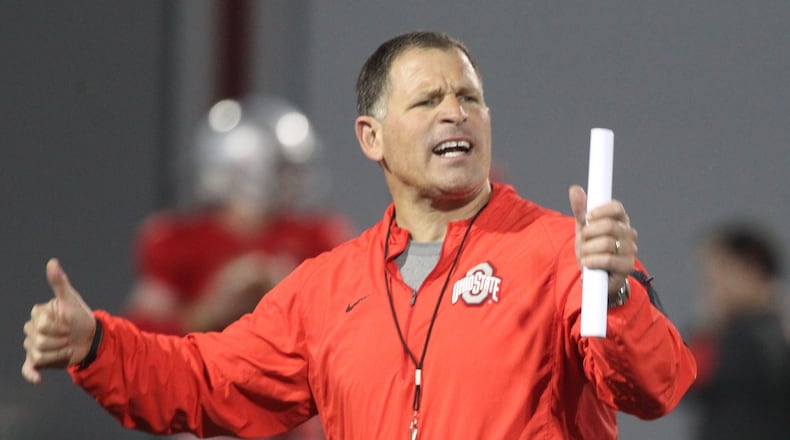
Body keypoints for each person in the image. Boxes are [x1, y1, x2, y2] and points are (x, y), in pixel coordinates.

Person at [22, 31, 696, 439]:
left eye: (468, 97)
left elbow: (654, 390)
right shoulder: (328, 284)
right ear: (370, 138)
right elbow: (206, 380)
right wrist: (96, 347)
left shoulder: (558, 253)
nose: (454, 114)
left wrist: (614, 293)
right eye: (428, 101)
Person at [125, 95, 351, 440]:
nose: (290, 181)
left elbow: (356, 334)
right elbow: (139, 353)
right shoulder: (178, 240)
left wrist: (289, 295)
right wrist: (208, 311)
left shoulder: (318, 236)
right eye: (279, 169)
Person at [686, 221, 790, 439]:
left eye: (718, 276)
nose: (711, 290)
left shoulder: (771, 338)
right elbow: (679, 384)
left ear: (751, 270)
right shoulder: (717, 337)